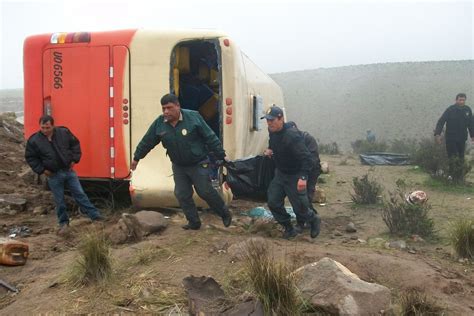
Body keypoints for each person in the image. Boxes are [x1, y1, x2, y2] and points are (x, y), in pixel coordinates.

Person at [131, 93, 232, 230]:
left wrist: (221, 155)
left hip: (198, 162)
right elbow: (147, 141)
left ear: (178, 106)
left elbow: (210, 136)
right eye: (163, 109)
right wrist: (137, 158)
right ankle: (194, 222)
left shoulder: (193, 117)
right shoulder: (159, 124)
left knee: (204, 191)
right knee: (182, 194)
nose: (166, 111)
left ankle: (224, 213)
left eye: (169, 108)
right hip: (179, 166)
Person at [25, 115, 104, 233]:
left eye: (48, 127)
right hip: (53, 175)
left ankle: (95, 216)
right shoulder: (34, 140)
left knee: (80, 194)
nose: (45, 130)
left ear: (53, 125)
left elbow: (75, 145)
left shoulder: (64, 132)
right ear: (39, 126)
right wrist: (42, 170)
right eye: (43, 127)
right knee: (59, 200)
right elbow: (31, 158)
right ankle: (63, 223)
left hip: (68, 171)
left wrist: (74, 159)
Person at [262, 106, 321, 239]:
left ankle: (313, 219)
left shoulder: (292, 135)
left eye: (272, 120)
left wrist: (303, 177)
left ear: (281, 118)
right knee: (273, 201)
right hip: (281, 173)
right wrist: (270, 150)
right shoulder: (272, 131)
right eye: (267, 120)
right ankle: (289, 228)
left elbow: (306, 158)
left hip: (295, 174)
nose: (269, 123)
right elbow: (273, 143)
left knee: (299, 207)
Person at [286, 121, 322, 233]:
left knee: (306, 195)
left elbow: (313, 159)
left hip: (312, 171)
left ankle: (309, 220)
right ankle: (305, 220)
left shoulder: (308, 139)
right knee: (298, 197)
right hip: (298, 172)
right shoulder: (288, 141)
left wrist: (304, 173)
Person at [434, 93, 474, 160]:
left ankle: (460, 170)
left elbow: (471, 124)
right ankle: (452, 170)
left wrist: (472, 135)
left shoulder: (467, 110)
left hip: (462, 138)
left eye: (463, 100)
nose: (462, 102)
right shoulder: (450, 110)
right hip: (451, 138)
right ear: (456, 100)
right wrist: (437, 134)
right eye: (460, 100)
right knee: (453, 157)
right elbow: (441, 121)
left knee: (461, 157)